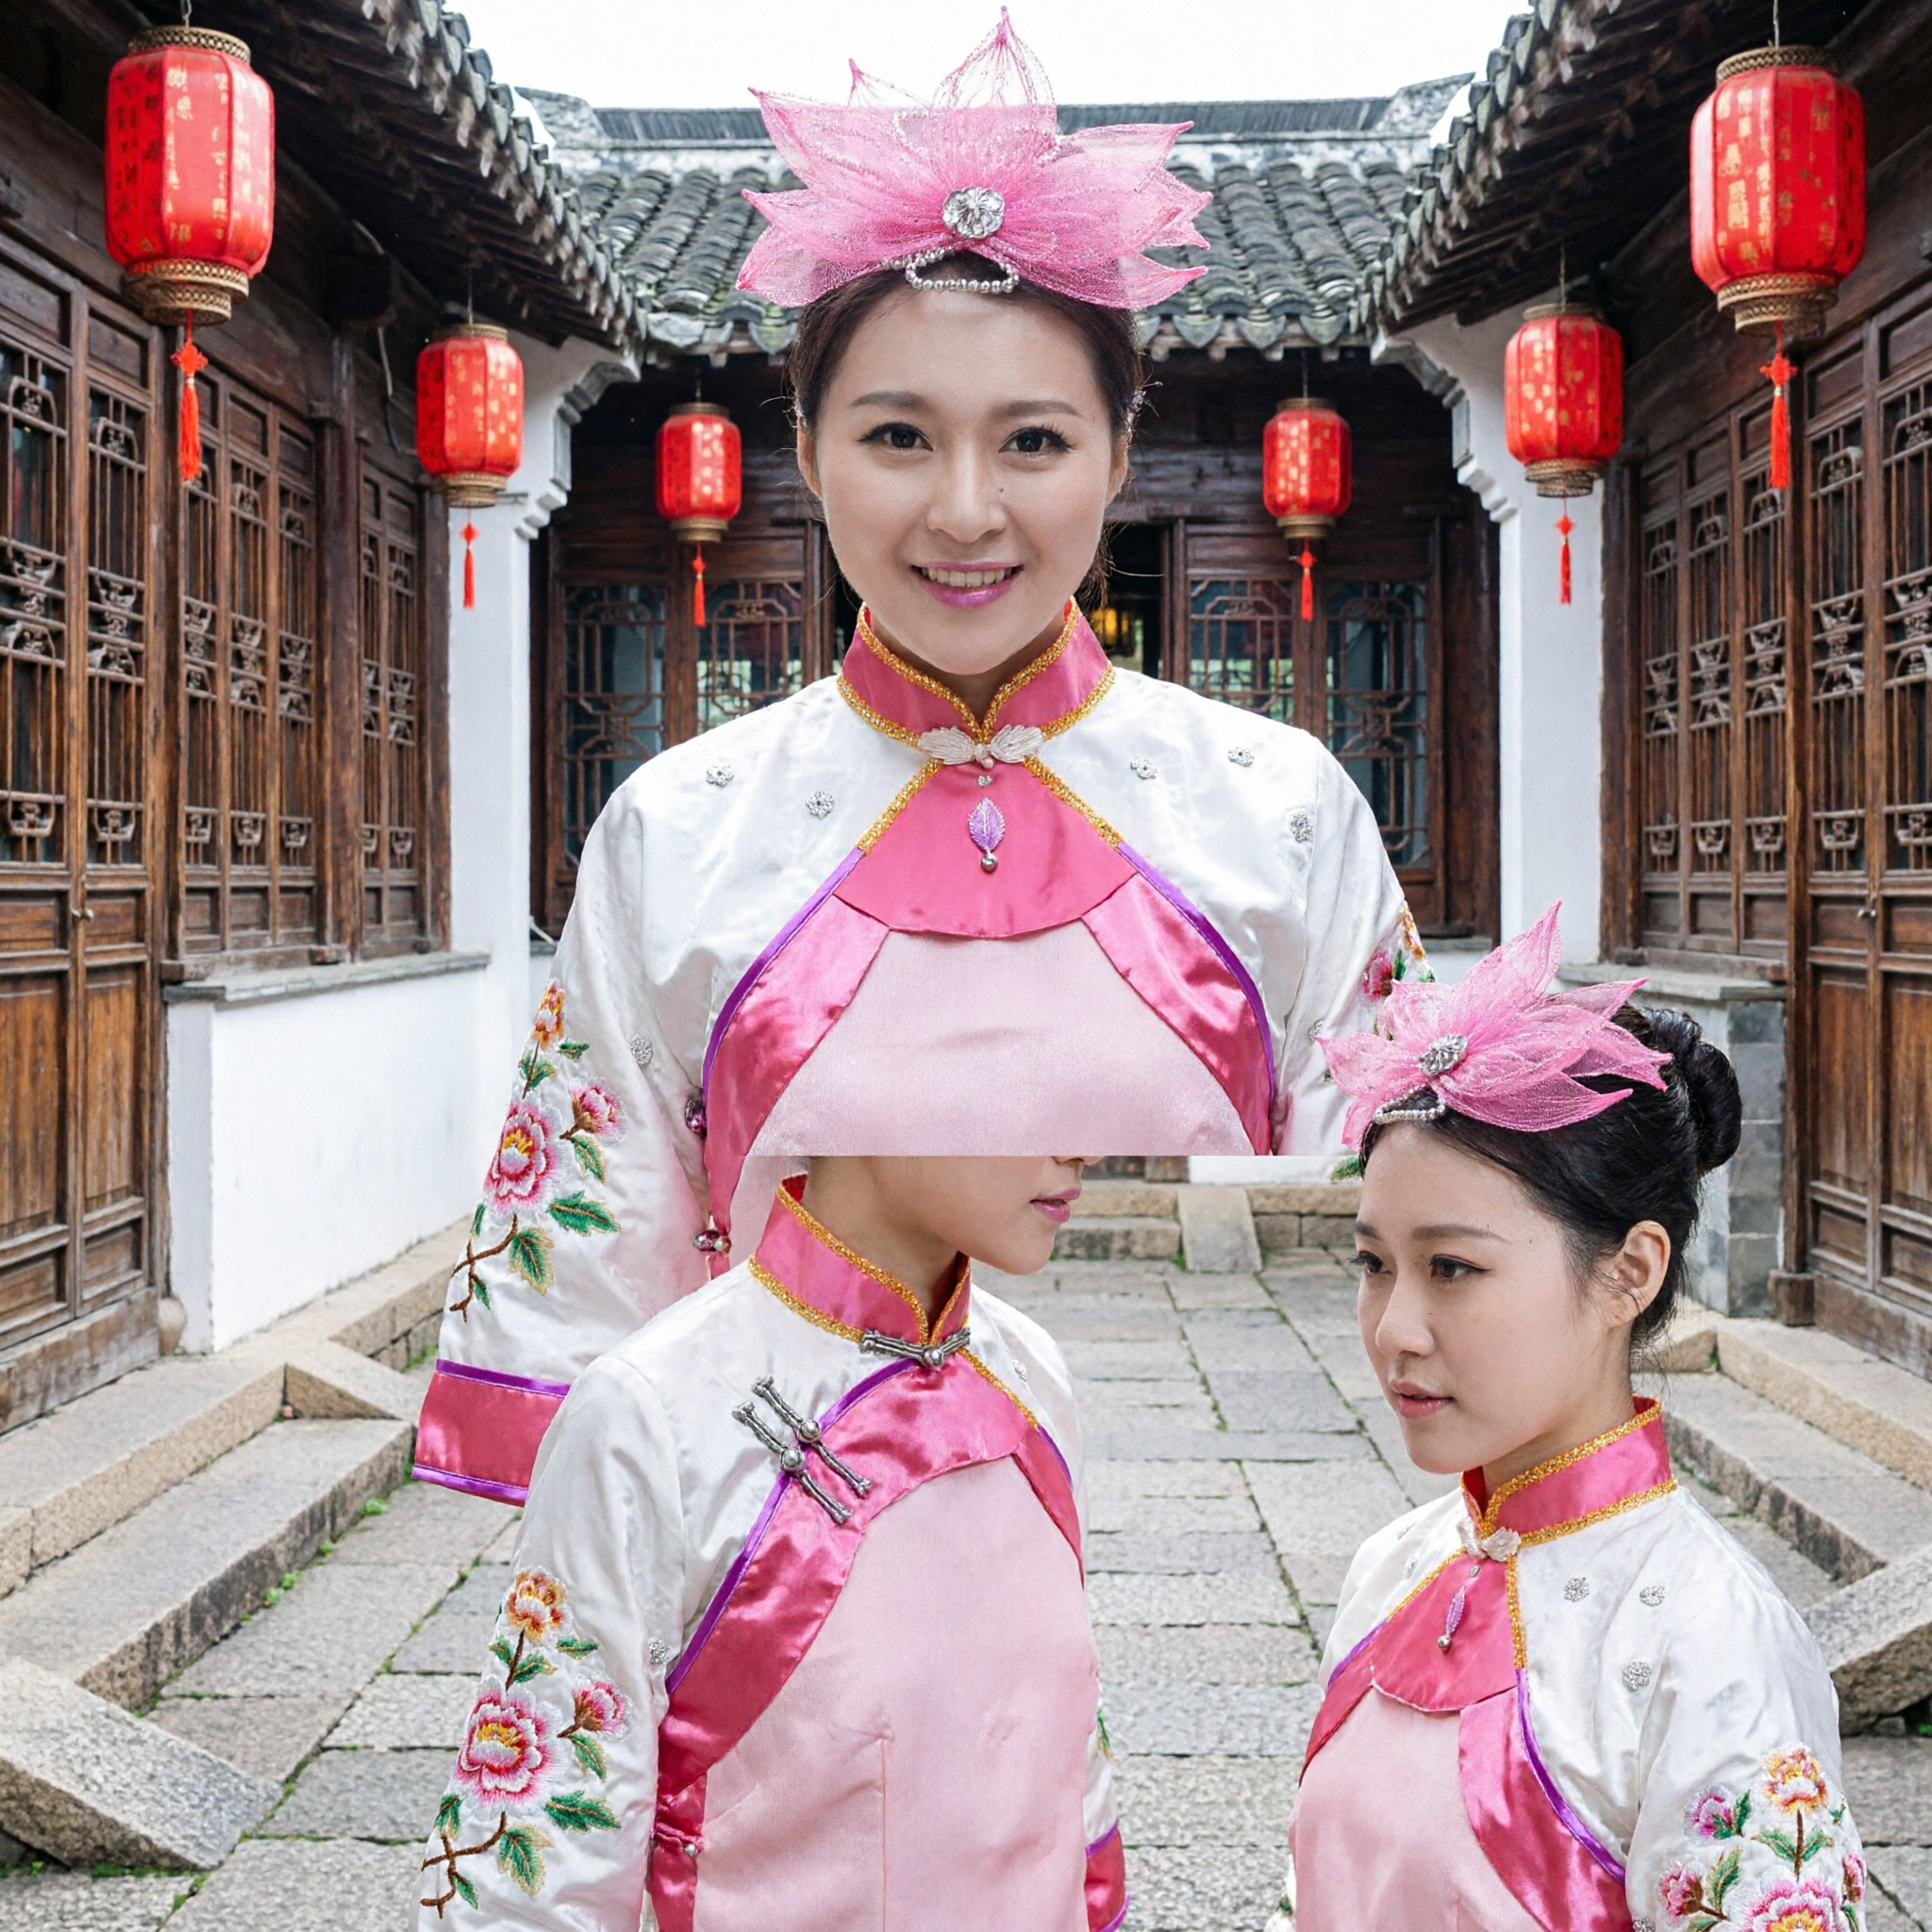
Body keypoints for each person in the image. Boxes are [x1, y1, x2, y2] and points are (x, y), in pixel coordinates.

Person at [415, 12, 1425, 1507]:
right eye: (899, 436)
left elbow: (1410, 1230)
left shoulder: (1283, 814)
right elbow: (599, 1243)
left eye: (1031, 442)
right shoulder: (676, 829)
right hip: (779, 1532)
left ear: (1118, 451)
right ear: (809, 452)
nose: (965, 512)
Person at [1286, 907, 1867, 1932]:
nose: (1394, 1329)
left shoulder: (1710, 1640)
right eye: (1372, 1263)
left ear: (1627, 1273)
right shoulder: (1394, 1564)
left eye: (1451, 1267)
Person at [413, 1157, 1126, 1932]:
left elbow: (1069, 1785)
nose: (1079, 1145)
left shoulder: (1030, 1372)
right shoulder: (652, 1416)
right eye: (1020, 1071)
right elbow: (545, 1870)